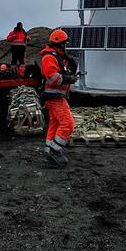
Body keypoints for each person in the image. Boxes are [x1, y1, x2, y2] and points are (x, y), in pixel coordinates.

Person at [40, 29, 78, 167]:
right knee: (68, 124)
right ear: (61, 44)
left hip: (56, 96)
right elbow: (53, 77)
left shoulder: (57, 57)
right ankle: (56, 151)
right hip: (54, 96)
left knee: (55, 125)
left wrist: (70, 67)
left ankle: (49, 152)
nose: (66, 46)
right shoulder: (49, 57)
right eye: (65, 44)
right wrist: (70, 79)